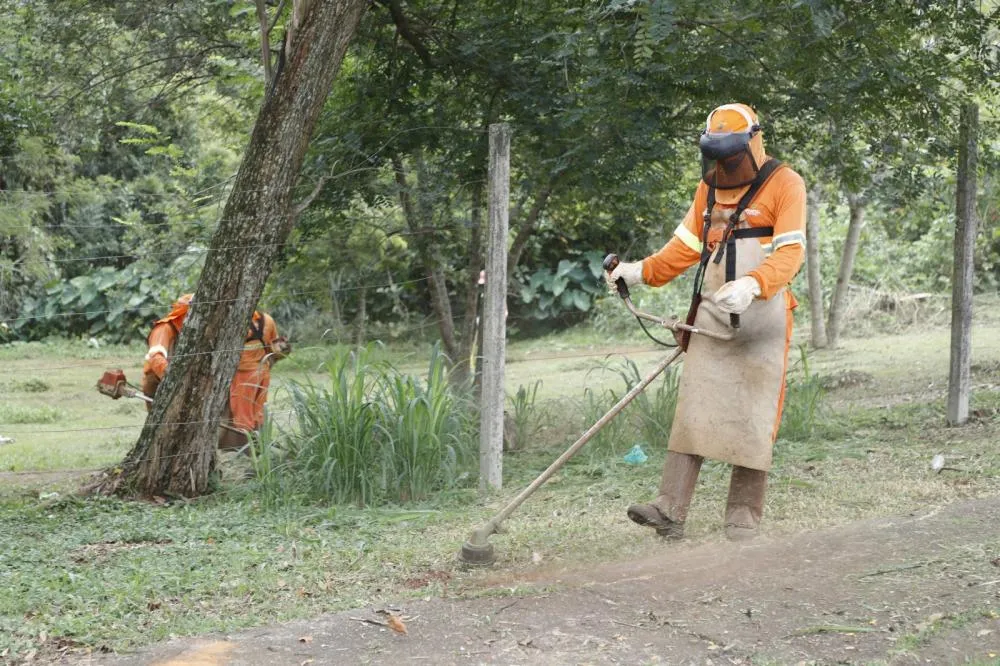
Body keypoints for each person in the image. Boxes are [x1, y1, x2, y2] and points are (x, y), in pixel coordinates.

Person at [606, 103, 806, 541]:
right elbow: (685, 247)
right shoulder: (709, 188)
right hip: (714, 309)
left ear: (753, 143)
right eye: (716, 155)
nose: (724, 165)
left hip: (763, 316)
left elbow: (791, 252)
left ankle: (743, 517)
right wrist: (640, 272)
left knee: (753, 415)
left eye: (731, 155)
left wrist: (754, 284)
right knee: (694, 407)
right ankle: (669, 508)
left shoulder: (785, 184)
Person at [141, 294, 291, 450]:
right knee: (167, 425)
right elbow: (155, 358)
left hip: (244, 376)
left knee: (246, 415)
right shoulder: (164, 329)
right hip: (159, 384)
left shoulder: (197, 331)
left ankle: (246, 449)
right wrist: (176, 380)